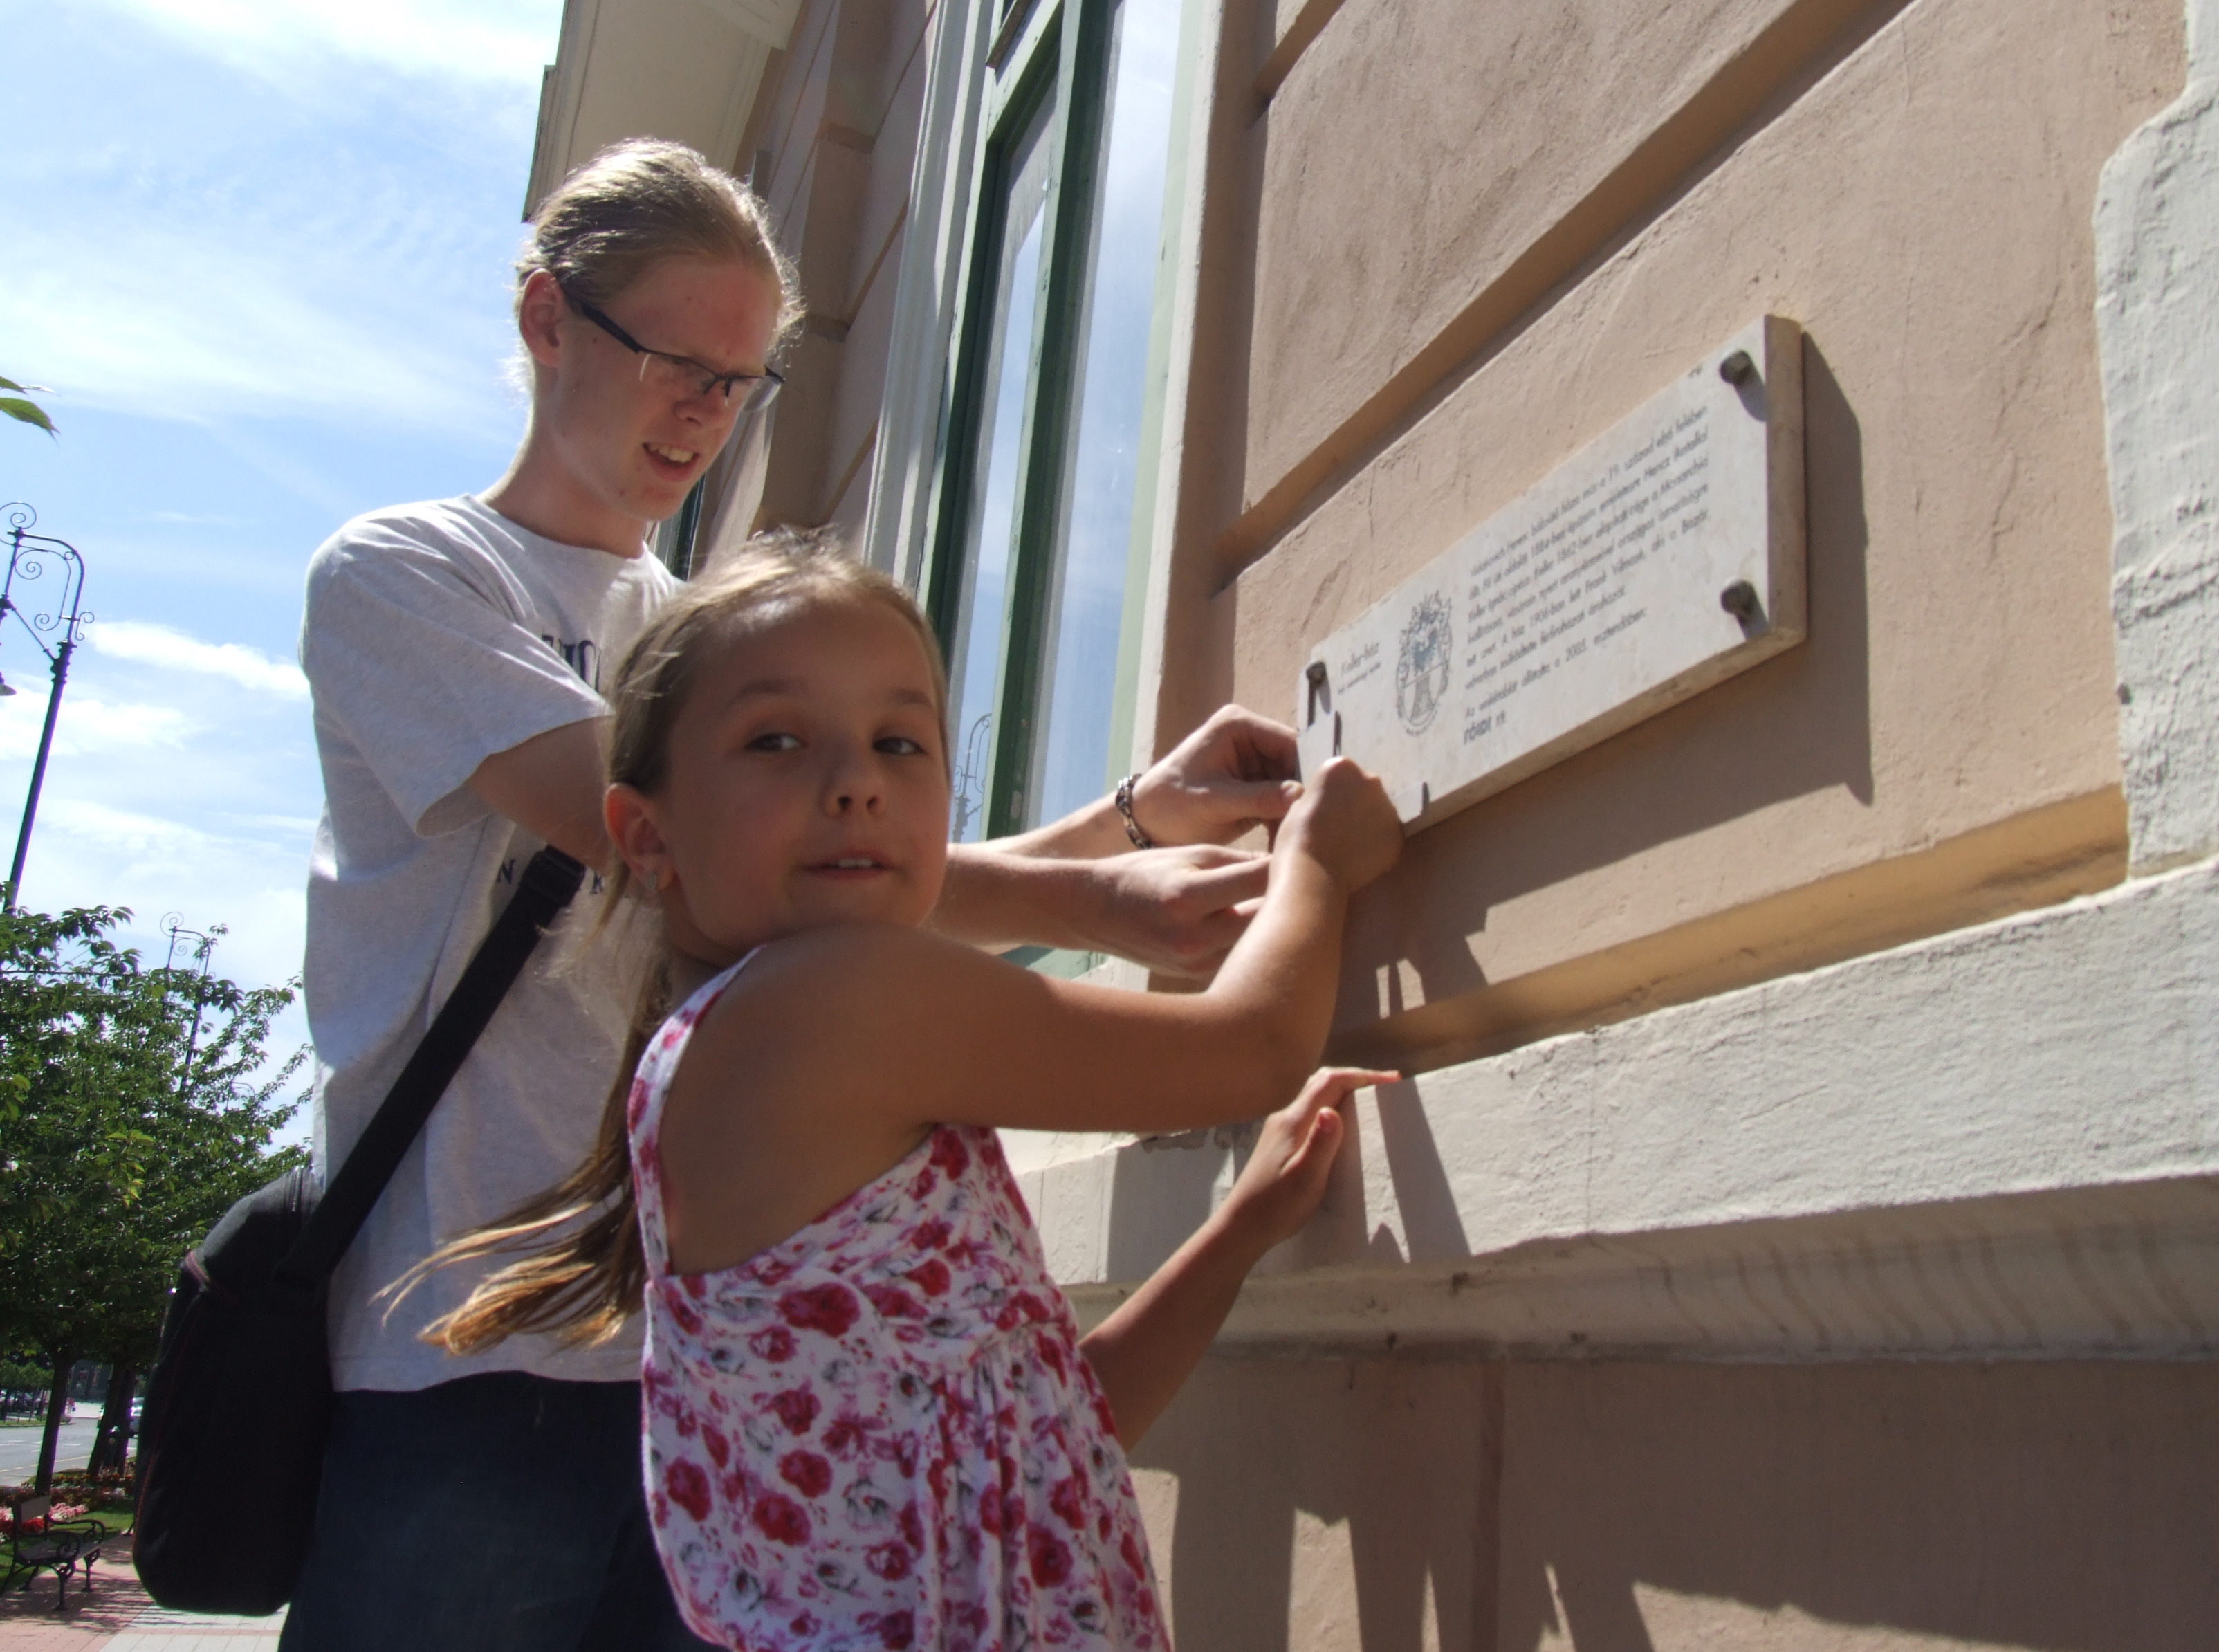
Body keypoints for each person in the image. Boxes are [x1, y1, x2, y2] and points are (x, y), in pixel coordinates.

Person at [285, 139, 1309, 1651]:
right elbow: (680, 849)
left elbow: (842, 891)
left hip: (718, 1375)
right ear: (547, 318)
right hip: (467, 1359)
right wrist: (1100, 895)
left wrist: (1131, 818)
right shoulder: (410, 573)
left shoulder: (694, 621)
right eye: (673, 363)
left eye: (738, 380)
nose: (704, 413)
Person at [422, 531, 1402, 1651]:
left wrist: (1236, 1234)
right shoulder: (834, 998)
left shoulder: (729, 1059)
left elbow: (1050, 1441)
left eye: (899, 742)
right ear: (647, 836)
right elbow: (1254, 1050)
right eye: (776, 741)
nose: (856, 784)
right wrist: (1317, 858)